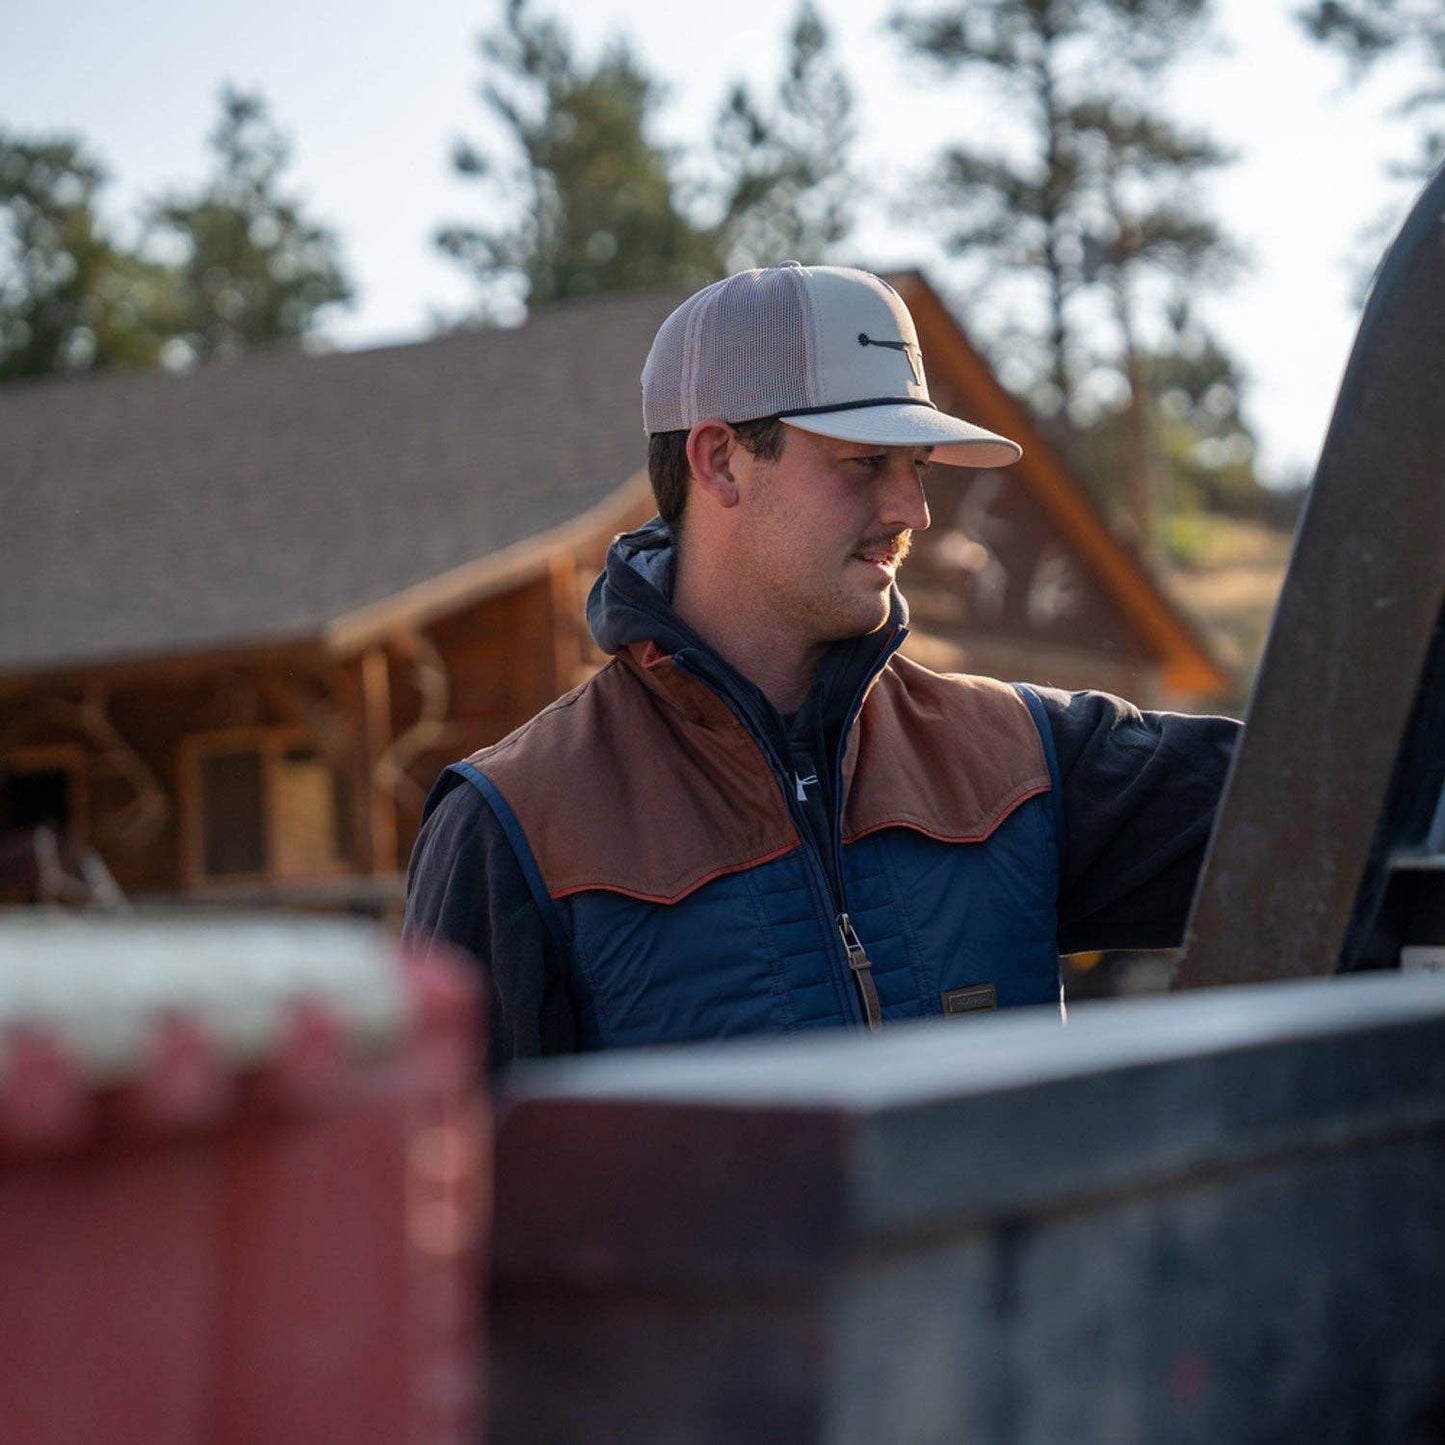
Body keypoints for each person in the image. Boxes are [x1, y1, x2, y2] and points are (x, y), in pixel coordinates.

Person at [404, 262, 1239, 1063]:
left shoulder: (1026, 757)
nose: (910, 509)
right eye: (863, 461)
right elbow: (435, 1188)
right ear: (719, 459)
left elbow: (1329, 799)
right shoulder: (515, 822)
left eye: (915, 466)